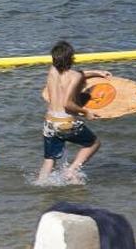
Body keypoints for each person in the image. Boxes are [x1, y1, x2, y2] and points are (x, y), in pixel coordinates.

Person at [38, 40, 111, 183]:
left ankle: (40, 184)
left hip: (49, 122)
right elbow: (68, 104)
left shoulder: (52, 71)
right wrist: (86, 112)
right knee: (94, 143)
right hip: (65, 123)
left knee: (50, 159)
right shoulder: (75, 76)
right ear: (71, 58)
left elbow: (78, 74)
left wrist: (97, 73)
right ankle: (71, 170)